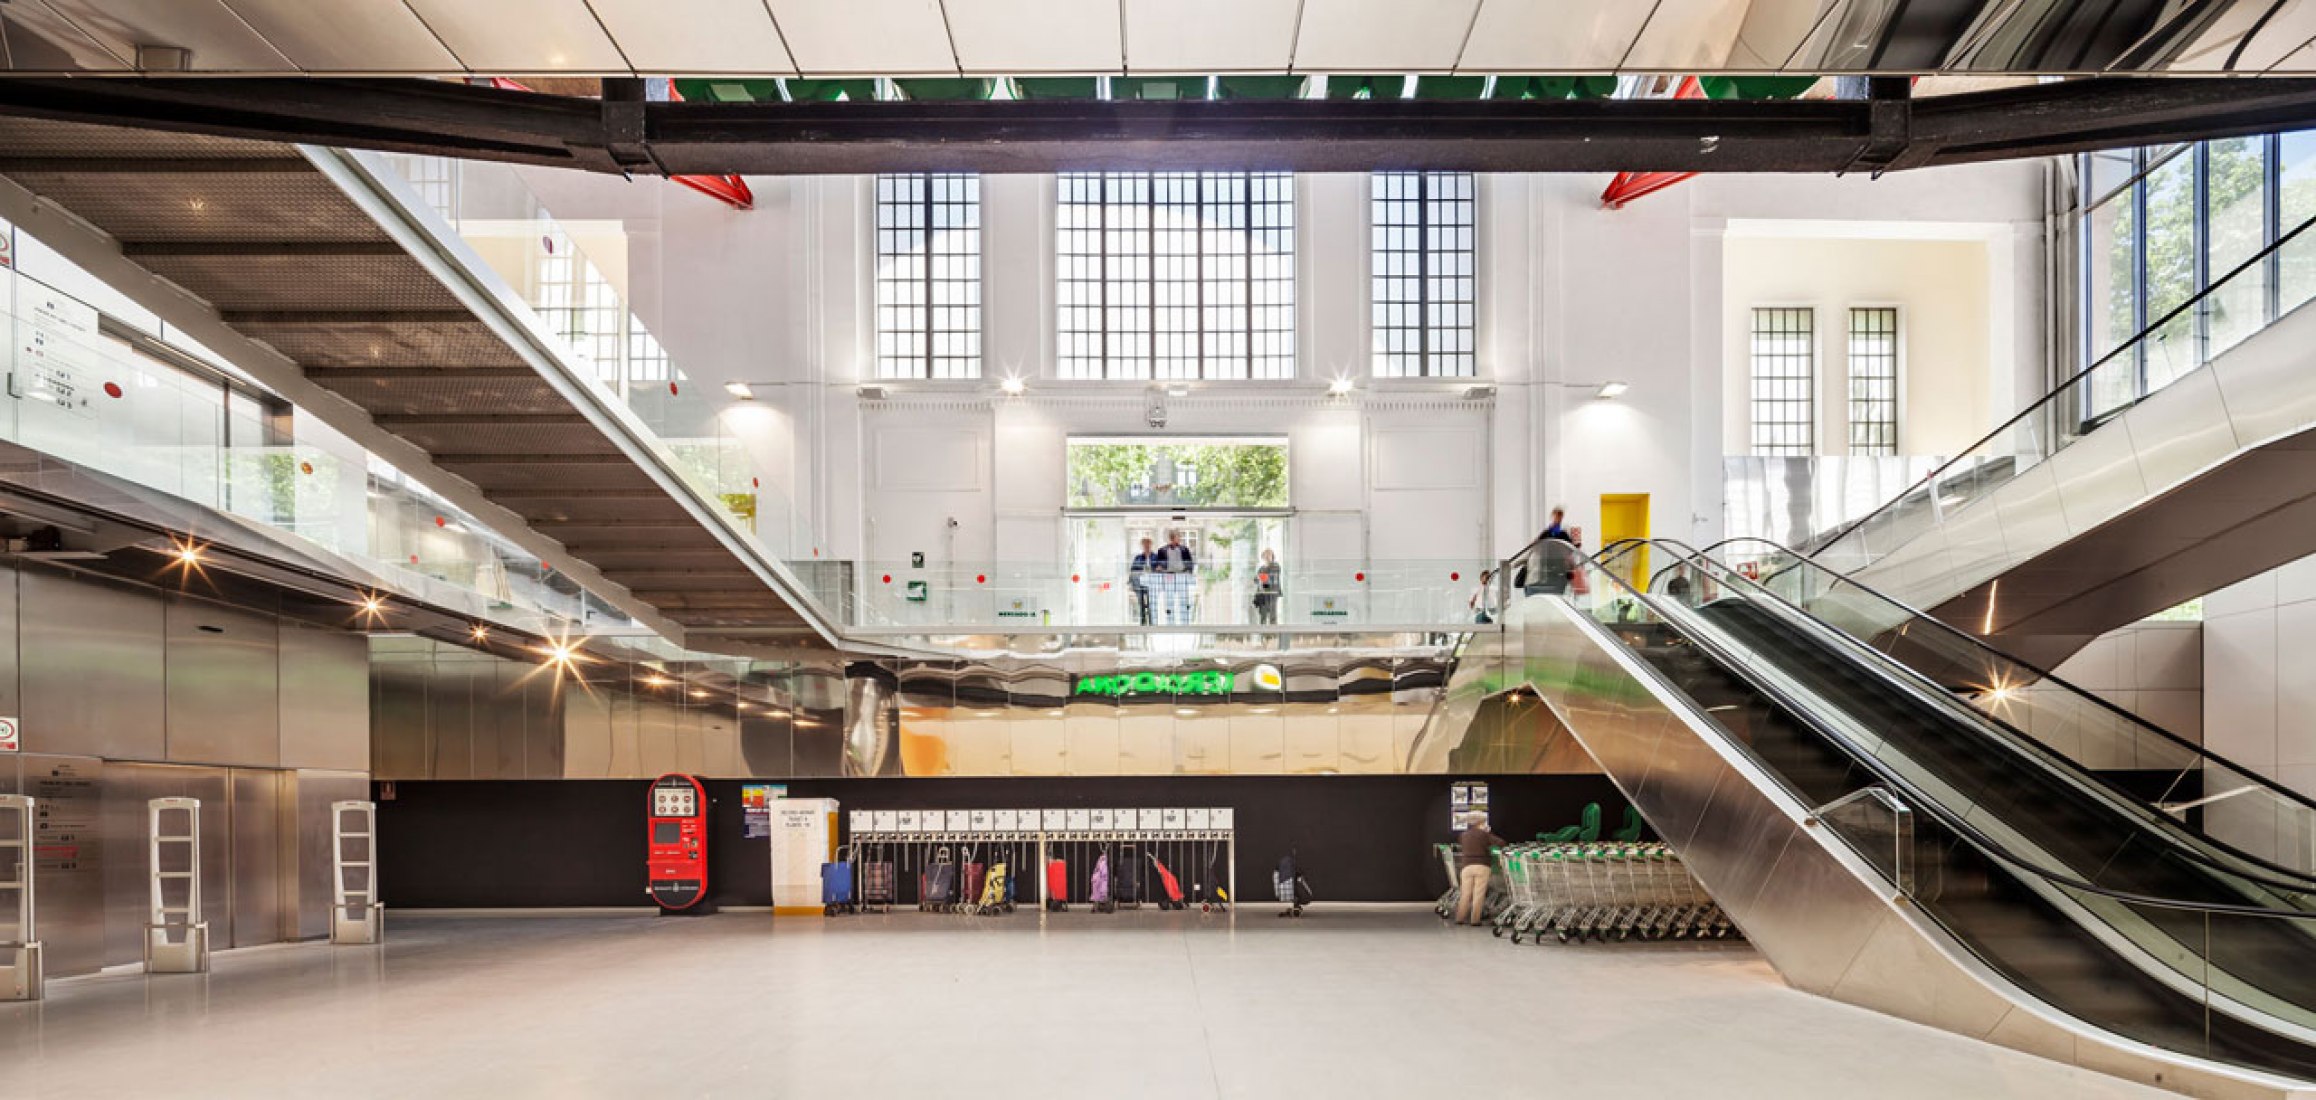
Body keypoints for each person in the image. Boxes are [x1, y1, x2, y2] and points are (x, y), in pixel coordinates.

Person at [1453, 813, 1506, 927]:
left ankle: (1460, 918)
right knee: (1478, 894)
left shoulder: (1463, 835)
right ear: (1481, 823)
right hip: (1482, 866)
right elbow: (1501, 843)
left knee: (1465, 893)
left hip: (1466, 866)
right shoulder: (1484, 835)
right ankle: (1475, 920)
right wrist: (1488, 833)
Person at [1154, 530, 1196, 624]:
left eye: (1179, 536)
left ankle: (1185, 624)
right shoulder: (1162, 550)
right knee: (1169, 600)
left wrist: (1189, 573)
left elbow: (1190, 563)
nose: (1179, 538)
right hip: (1169, 575)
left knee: (1183, 600)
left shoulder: (1184, 549)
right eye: (1178, 536)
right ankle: (1170, 624)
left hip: (1182, 575)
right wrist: (1160, 568)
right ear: (1172, 538)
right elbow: (1158, 564)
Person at [1128, 537, 1158, 625]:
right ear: (1142, 546)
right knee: (1141, 603)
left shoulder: (1155, 557)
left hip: (1152, 583)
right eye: (1144, 545)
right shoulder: (1138, 557)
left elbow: (1159, 568)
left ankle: (1152, 622)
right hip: (1140, 583)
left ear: (1151, 545)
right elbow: (1133, 570)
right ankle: (1143, 622)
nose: (1146, 546)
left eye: (1148, 545)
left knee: (1151, 603)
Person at [1252, 548, 1283, 625]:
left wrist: (1262, 578)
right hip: (1262, 594)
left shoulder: (1276, 566)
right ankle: (1263, 634)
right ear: (1263, 557)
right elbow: (1256, 580)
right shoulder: (1261, 568)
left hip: (1272, 593)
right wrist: (1262, 578)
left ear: (1272, 556)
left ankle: (1273, 634)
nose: (1267, 557)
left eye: (1269, 555)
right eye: (1266, 555)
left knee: (1272, 614)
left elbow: (1270, 578)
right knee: (1263, 615)